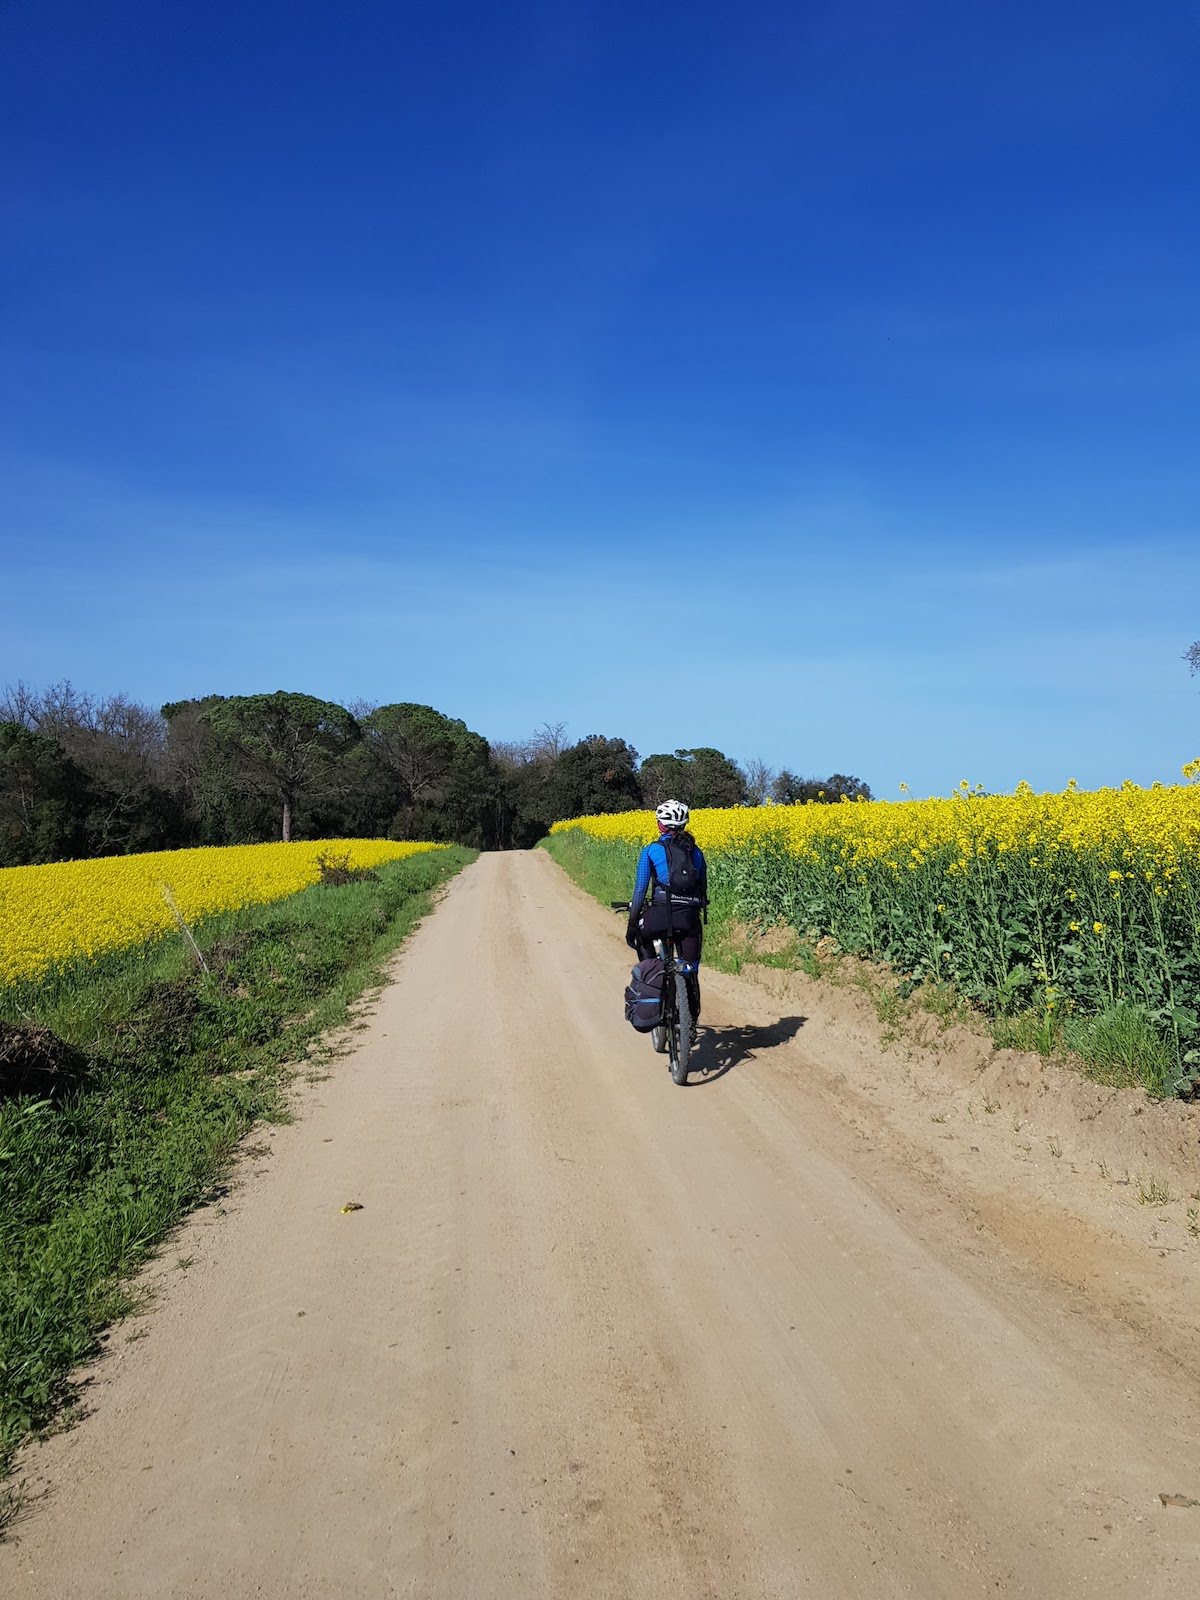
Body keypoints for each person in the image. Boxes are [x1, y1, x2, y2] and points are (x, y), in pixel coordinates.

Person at [626, 799, 708, 1016]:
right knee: (691, 966)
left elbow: (640, 890)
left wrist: (632, 925)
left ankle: (653, 976)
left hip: (659, 916)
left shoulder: (651, 850)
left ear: (660, 825)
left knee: (642, 937)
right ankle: (691, 1013)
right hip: (689, 918)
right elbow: (702, 891)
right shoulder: (696, 853)